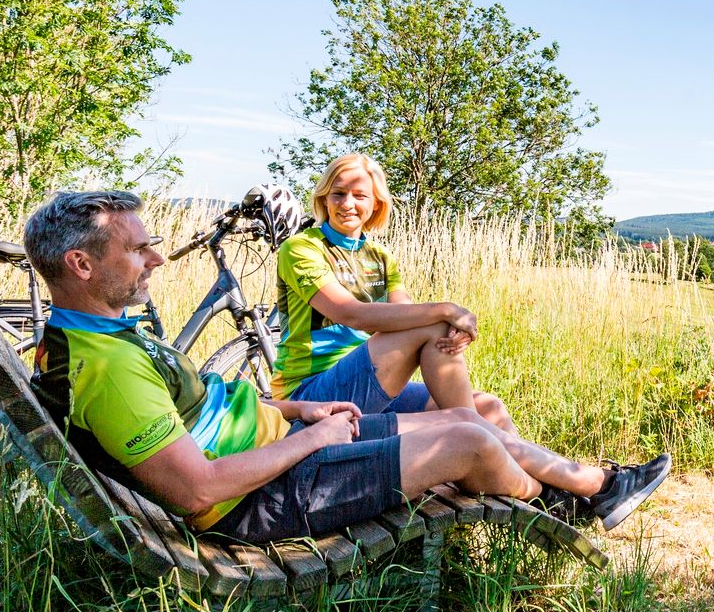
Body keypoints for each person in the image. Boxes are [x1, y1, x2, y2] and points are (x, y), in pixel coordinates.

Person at [22, 189, 666, 544]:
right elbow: (197, 492)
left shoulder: (107, 334)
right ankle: (576, 494)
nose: (156, 261)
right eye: (138, 251)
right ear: (81, 265)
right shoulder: (105, 368)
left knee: (478, 420)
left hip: (289, 447)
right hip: (265, 495)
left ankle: (589, 489)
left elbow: (209, 406)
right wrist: (312, 436)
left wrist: (297, 411)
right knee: (470, 436)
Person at [272, 153, 667, 527]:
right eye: (338, 193)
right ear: (324, 197)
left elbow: (405, 315)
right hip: (315, 394)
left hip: (373, 385)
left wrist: (444, 326)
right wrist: (445, 311)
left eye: (360, 195)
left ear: (376, 204)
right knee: (446, 359)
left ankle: (551, 498)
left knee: (488, 407)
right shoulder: (302, 248)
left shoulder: (379, 256)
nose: (347, 204)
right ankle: (598, 485)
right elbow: (350, 313)